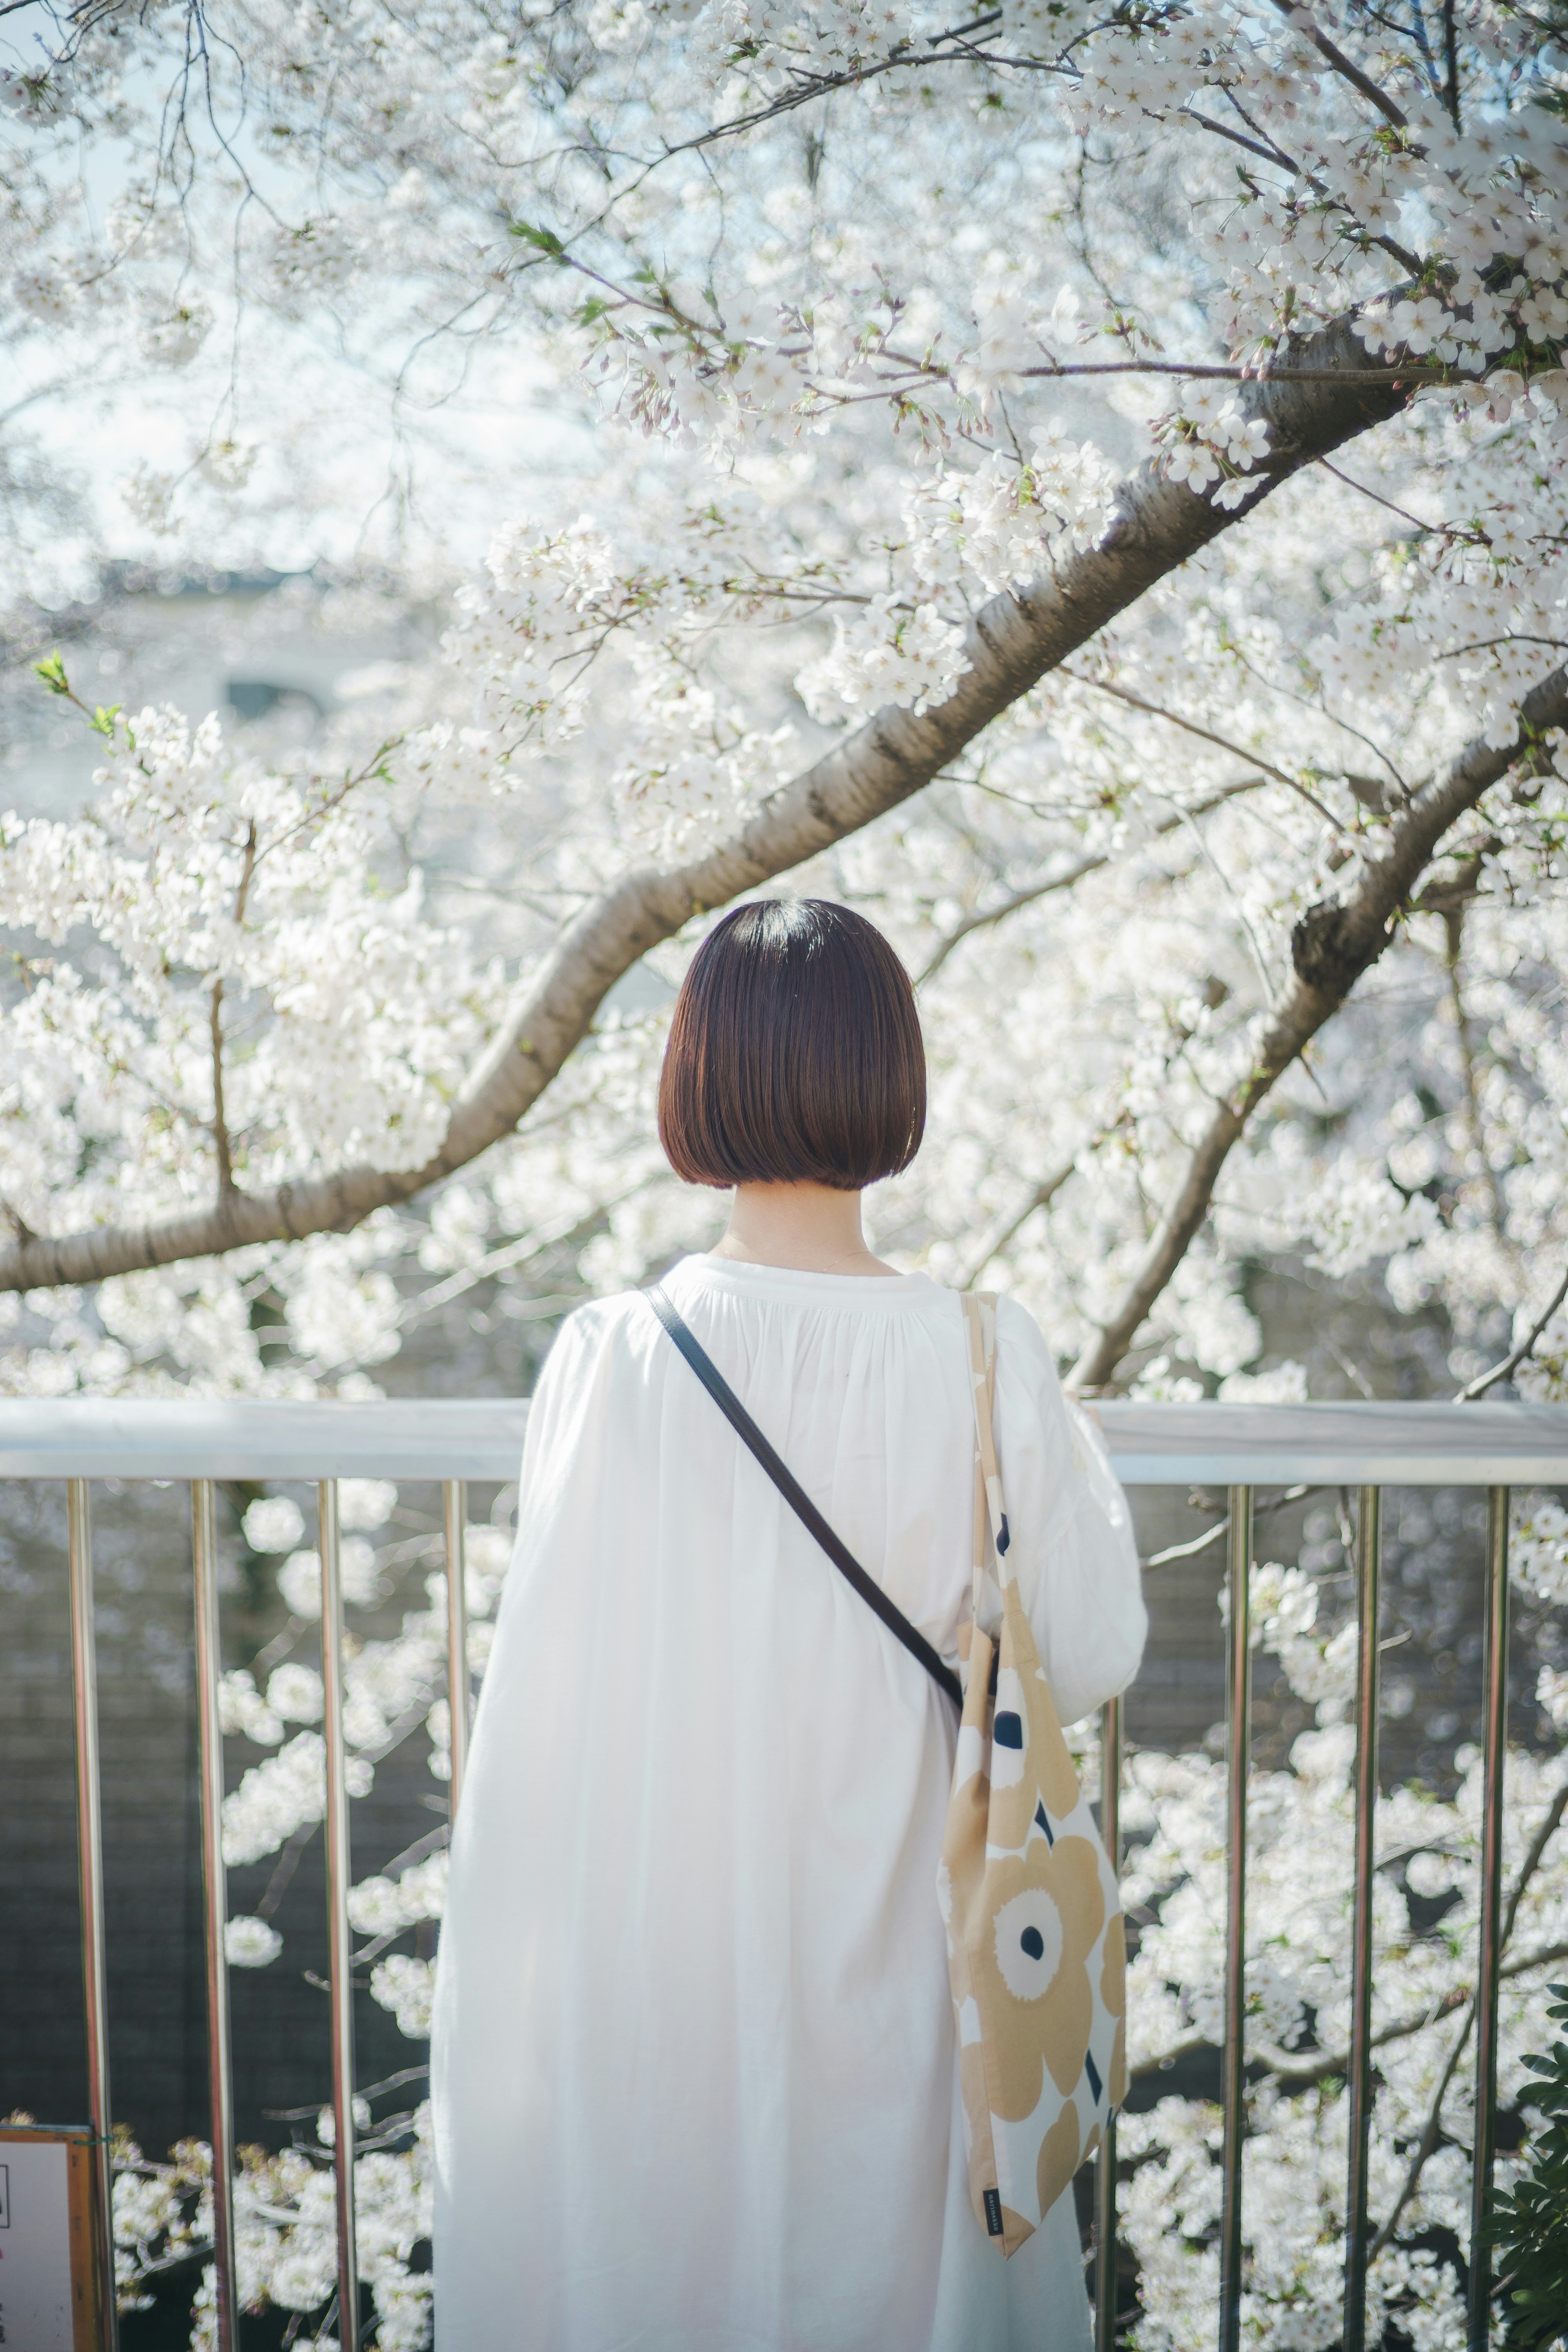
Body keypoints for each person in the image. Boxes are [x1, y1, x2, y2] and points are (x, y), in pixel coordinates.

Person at [431, 898, 1147, 2350]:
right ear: (897, 1083)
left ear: (694, 1079)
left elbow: (542, 1725)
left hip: (671, 1963)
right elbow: (1094, 1651)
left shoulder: (615, 1357)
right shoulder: (985, 1348)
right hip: (922, 1959)